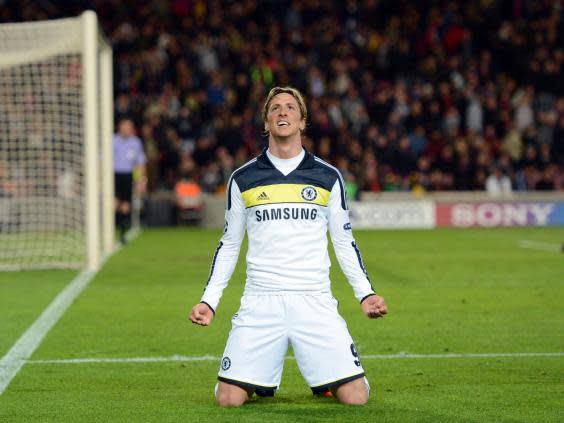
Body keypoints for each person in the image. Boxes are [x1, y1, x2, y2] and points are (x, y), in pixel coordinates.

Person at [189, 86, 388, 407]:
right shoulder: (243, 178)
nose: (283, 112)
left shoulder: (328, 176)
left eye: (290, 107)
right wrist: (209, 302)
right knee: (228, 400)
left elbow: (343, 241)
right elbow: (228, 245)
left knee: (356, 398)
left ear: (302, 121)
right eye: (275, 108)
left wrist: (365, 294)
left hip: (314, 298)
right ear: (266, 123)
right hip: (260, 300)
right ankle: (258, 380)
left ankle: (331, 377)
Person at [113, 118, 147, 243]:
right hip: (114, 175)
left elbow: (140, 163)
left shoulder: (135, 142)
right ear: (119, 128)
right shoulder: (113, 140)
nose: (126, 130)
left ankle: (122, 233)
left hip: (128, 176)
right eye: (124, 127)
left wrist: (141, 181)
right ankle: (111, 231)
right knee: (114, 203)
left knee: (125, 206)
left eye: (128, 127)